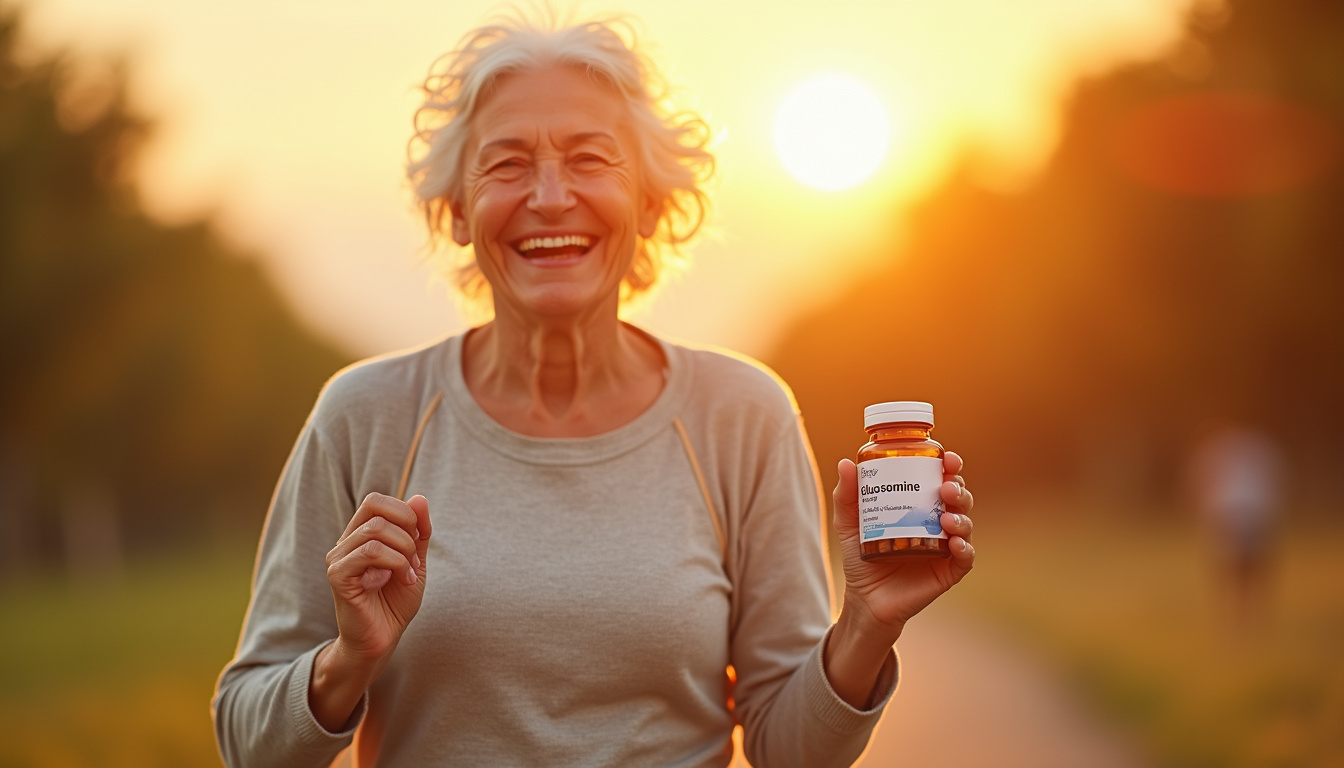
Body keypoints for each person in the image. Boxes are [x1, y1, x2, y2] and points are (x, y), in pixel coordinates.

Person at [212, 13, 976, 768]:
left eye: (589, 159)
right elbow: (246, 742)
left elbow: (790, 748)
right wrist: (347, 660)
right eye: (506, 164)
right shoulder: (366, 416)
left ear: (649, 202)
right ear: (455, 211)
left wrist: (866, 627)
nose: (549, 196)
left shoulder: (745, 416)